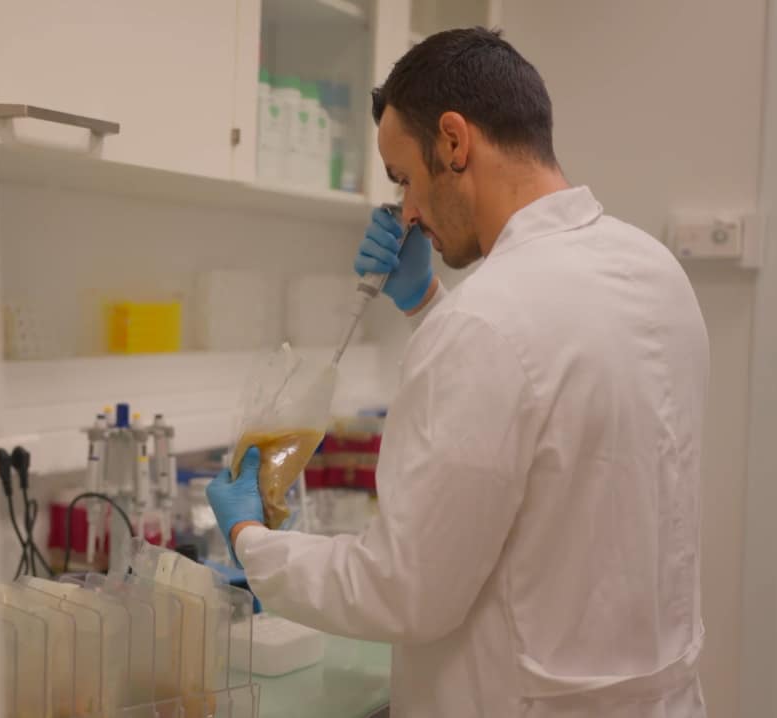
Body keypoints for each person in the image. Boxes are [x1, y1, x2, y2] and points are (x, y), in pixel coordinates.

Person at [208, 27, 709, 717]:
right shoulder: (654, 270)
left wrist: (252, 543)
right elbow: (546, 406)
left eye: (404, 179)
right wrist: (426, 304)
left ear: (453, 142)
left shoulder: (486, 322)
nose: (408, 213)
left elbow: (401, 590)